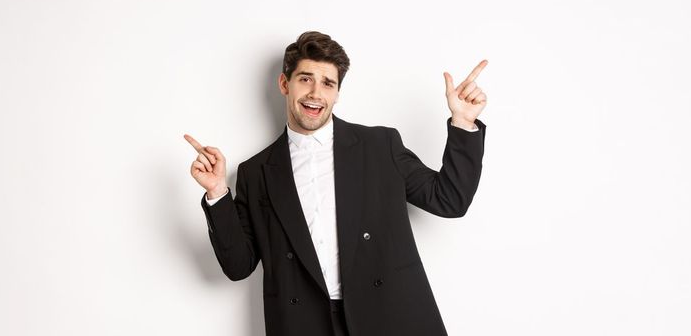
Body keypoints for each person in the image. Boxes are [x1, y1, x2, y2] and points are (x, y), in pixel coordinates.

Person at [184, 30, 487, 336]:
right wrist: (217, 193)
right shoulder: (255, 172)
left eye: (327, 83)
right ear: (284, 84)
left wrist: (463, 123)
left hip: (391, 316)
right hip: (306, 325)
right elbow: (238, 266)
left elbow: (450, 200)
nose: (316, 93)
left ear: (337, 92)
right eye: (305, 79)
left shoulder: (380, 146)